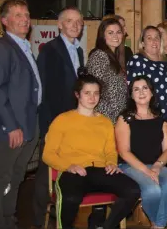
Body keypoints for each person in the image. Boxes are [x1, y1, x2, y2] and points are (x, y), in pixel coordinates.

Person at [42, 75, 140, 229]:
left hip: (100, 170)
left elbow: (110, 151)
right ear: (77, 95)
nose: (92, 97)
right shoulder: (62, 120)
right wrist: (69, 166)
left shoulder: (106, 122)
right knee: (70, 198)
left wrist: (111, 163)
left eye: (96, 93)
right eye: (87, 93)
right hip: (72, 171)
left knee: (133, 190)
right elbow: (48, 154)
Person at [0, 0, 42, 228]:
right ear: (4, 21)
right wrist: (11, 126)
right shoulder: (1, 48)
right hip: (12, 128)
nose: (25, 19)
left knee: (16, 178)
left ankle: (9, 220)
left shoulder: (25, 47)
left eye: (26, 14)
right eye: (18, 15)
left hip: (29, 124)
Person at [32, 6, 85, 229]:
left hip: (73, 121)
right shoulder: (50, 50)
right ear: (60, 25)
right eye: (70, 21)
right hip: (54, 121)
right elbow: (44, 90)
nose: (75, 25)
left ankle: (60, 212)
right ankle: (37, 219)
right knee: (47, 172)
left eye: (78, 22)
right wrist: (49, 125)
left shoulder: (79, 51)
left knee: (67, 168)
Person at [115, 76, 167, 229]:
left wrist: (157, 166)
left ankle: (157, 225)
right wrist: (146, 171)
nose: (141, 92)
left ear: (151, 93)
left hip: (155, 165)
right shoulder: (125, 118)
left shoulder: (160, 119)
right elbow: (124, 152)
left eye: (145, 88)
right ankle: (159, 225)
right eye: (136, 89)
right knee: (152, 190)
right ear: (131, 95)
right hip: (129, 166)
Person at [127, 26, 167, 123]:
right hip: (146, 116)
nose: (154, 41)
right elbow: (132, 90)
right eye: (149, 38)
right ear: (142, 43)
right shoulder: (137, 61)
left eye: (157, 37)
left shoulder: (166, 63)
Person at [88, 18, 128, 124]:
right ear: (103, 36)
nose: (115, 36)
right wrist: (107, 118)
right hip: (104, 119)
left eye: (118, 32)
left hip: (117, 118)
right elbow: (94, 91)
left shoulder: (116, 57)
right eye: (110, 33)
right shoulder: (99, 56)